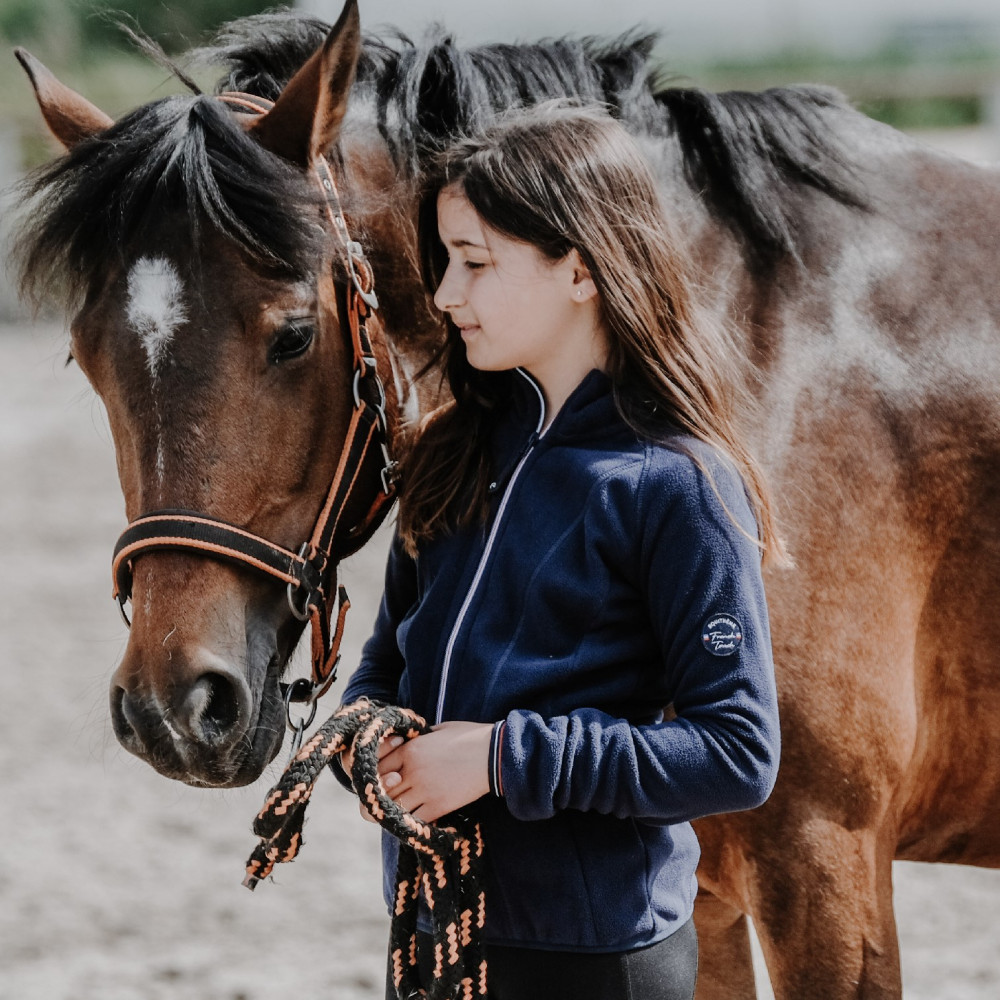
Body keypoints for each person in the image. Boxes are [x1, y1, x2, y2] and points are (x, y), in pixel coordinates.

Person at [339, 100, 781, 1000]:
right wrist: (366, 736)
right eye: (444, 262)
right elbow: (387, 661)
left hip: (596, 964)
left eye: (475, 262)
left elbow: (738, 751)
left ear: (580, 270)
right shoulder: (451, 451)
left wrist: (502, 758)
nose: (446, 294)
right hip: (433, 939)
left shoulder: (675, 485)